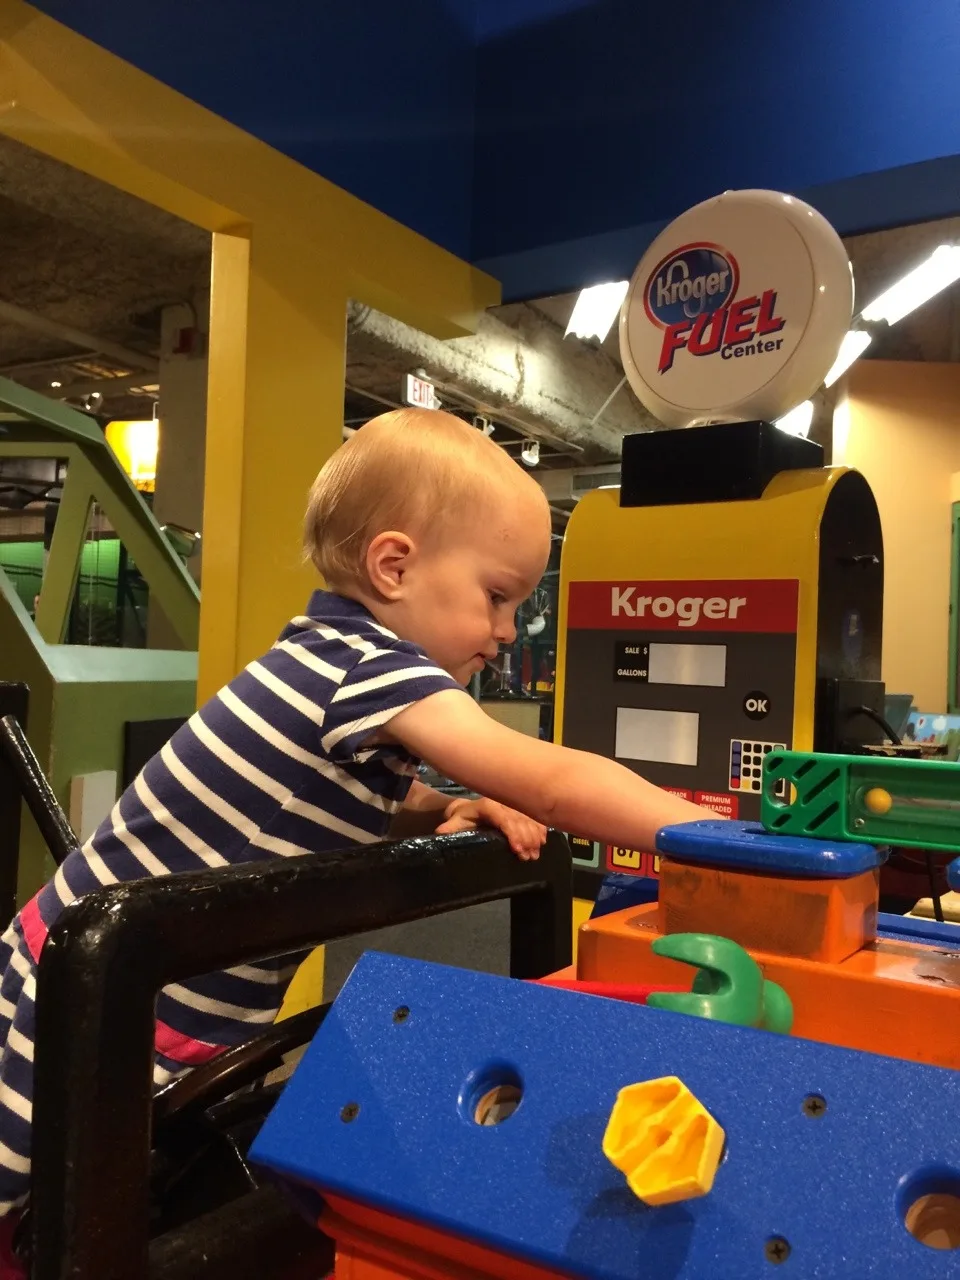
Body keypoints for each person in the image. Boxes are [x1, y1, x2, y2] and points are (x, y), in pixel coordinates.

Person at [0, 408, 712, 1249]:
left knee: (70, 1203)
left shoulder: (332, 662)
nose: (507, 629)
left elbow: (320, 785)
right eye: (497, 595)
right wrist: (708, 837)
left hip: (152, 994)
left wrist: (438, 805)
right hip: (86, 995)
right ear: (394, 565)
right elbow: (550, 783)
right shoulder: (367, 665)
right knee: (41, 1207)